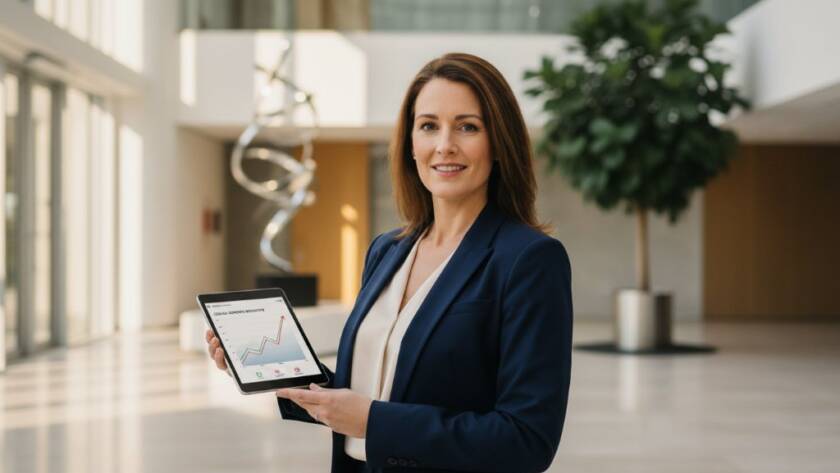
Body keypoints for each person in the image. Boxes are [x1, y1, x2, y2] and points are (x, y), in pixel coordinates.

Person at [206, 52, 573, 473]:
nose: (444, 145)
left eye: (467, 127)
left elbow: (526, 441)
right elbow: (363, 392)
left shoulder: (528, 260)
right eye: (428, 126)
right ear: (411, 144)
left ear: (499, 144)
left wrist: (372, 421)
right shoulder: (387, 250)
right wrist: (274, 372)